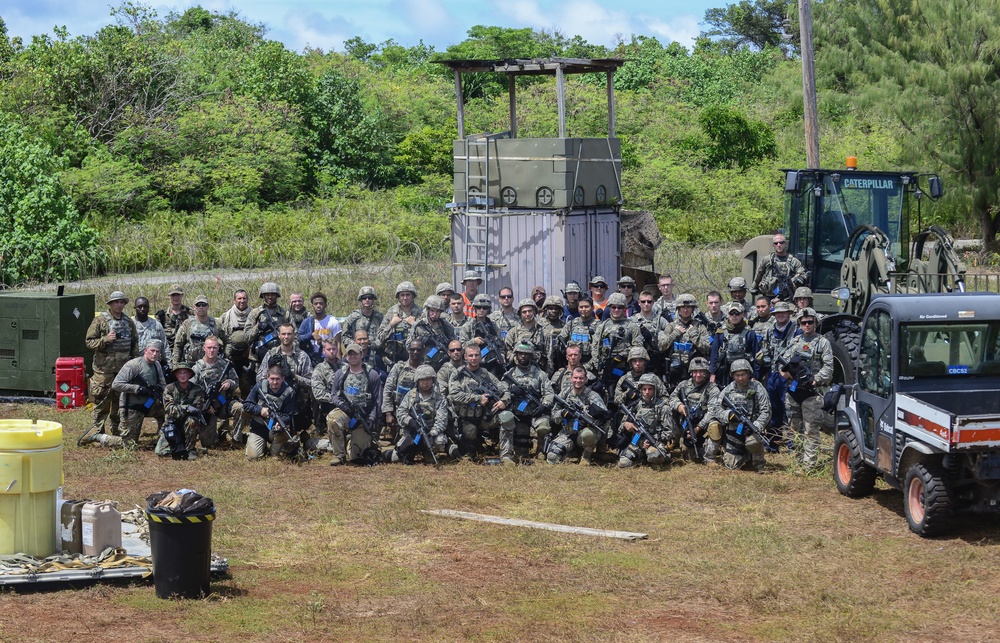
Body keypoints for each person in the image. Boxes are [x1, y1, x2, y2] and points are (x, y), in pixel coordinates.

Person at [79, 291, 139, 446]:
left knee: (120, 403)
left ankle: (117, 433)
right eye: (116, 302)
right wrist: (105, 339)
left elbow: (134, 345)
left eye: (121, 302)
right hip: (104, 371)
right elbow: (89, 342)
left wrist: (133, 365)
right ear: (110, 304)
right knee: (101, 403)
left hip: (122, 371)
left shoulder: (128, 322)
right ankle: (96, 433)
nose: (119, 305)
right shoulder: (100, 321)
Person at [779, 307, 833, 470]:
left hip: (812, 393)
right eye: (803, 323)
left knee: (811, 430)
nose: (807, 325)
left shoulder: (823, 342)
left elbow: (829, 368)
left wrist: (815, 380)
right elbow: (782, 366)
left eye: (810, 322)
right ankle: (798, 460)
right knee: (795, 428)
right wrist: (789, 375)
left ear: (815, 323)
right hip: (794, 391)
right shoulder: (795, 342)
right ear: (800, 324)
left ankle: (810, 465)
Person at [448, 344, 512, 458]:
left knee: (507, 417)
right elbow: (454, 395)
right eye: (471, 355)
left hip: (486, 417)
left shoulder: (486, 374)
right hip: (467, 419)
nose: (474, 358)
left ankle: (506, 456)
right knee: (470, 454)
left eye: (476, 355)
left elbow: (504, 389)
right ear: (465, 357)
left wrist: (504, 401)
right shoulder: (458, 374)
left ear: (480, 356)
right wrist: (478, 398)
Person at [327, 343, 384, 465]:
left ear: (362, 355)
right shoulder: (340, 374)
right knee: (332, 420)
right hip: (345, 412)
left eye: (355, 354)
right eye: (349, 354)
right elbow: (334, 396)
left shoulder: (372, 375)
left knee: (357, 457)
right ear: (346, 357)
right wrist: (345, 408)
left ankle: (348, 441)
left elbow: (378, 401)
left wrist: (371, 419)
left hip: (364, 415)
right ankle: (339, 455)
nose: (352, 356)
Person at [711, 359, 771, 471]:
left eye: (743, 374)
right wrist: (729, 415)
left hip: (751, 429)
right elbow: (716, 409)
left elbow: (766, 411)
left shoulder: (757, 387)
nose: (740, 378)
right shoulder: (728, 390)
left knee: (753, 442)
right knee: (731, 466)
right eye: (737, 375)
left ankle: (759, 463)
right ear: (733, 375)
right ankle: (744, 456)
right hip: (734, 431)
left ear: (748, 374)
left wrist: (756, 425)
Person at [388, 365, 454, 463]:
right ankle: (389, 454)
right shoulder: (410, 395)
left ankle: (428, 451)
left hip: (431, 432)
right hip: (413, 433)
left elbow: (442, 420)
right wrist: (411, 422)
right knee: (395, 458)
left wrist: (432, 434)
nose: (425, 382)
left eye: (428, 379)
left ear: (433, 380)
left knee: (439, 441)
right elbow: (401, 412)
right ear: (417, 381)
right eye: (422, 379)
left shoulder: (439, 398)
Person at [108, 341, 167, 448]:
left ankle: (163, 437)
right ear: (145, 351)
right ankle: (97, 436)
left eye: (157, 352)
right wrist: (137, 389)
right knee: (129, 444)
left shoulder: (157, 365)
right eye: (152, 351)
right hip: (131, 406)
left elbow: (163, 385)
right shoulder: (133, 365)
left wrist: (168, 398)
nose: (154, 354)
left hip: (148, 403)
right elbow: (116, 384)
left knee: (169, 410)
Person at [547, 367, 610, 465]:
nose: (578, 381)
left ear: (586, 379)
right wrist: (562, 413)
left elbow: (604, 417)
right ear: (571, 378)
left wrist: (587, 421)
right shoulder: (564, 393)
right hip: (568, 432)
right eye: (575, 378)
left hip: (585, 433)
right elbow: (553, 415)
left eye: (581, 378)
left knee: (588, 435)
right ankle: (572, 453)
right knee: (552, 457)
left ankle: (586, 456)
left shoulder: (592, 396)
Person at [257, 323, 313, 432]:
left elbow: (311, 382)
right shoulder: (270, 354)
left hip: (296, 403)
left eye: (289, 334)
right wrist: (269, 367)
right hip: (272, 401)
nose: (286, 337)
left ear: (294, 335)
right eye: (283, 334)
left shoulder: (302, 356)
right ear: (279, 335)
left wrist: (294, 376)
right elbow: (258, 379)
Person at [505, 343, 555, 462]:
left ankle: (541, 450)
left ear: (531, 356)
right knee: (522, 454)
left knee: (543, 426)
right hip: (519, 416)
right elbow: (501, 391)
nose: (523, 356)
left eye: (526, 354)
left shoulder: (540, 374)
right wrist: (511, 391)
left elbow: (549, 393)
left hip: (536, 413)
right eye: (520, 353)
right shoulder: (509, 374)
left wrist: (544, 405)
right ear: (515, 355)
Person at [758, 301, 797, 452]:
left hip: (789, 376)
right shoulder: (769, 330)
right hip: (773, 375)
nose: (780, 315)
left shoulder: (796, 330)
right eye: (777, 313)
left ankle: (792, 444)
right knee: (773, 409)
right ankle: (773, 442)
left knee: (789, 410)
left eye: (783, 312)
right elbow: (765, 351)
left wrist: (790, 372)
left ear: (788, 314)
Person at [192, 335, 243, 448]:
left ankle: (237, 440)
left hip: (223, 402)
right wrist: (203, 405)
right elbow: (192, 391)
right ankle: (217, 433)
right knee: (208, 443)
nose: (211, 350)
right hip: (208, 407)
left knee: (239, 407)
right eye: (209, 347)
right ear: (204, 348)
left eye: (214, 347)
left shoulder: (225, 364)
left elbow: (236, 382)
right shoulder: (198, 368)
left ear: (218, 348)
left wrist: (230, 382)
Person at [668, 357, 721, 462]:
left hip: (704, 426)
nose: (698, 375)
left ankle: (710, 458)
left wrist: (699, 427)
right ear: (691, 372)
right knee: (689, 456)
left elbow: (713, 411)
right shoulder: (683, 385)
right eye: (695, 371)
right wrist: (679, 406)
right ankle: (673, 440)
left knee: (715, 426)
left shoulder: (712, 389)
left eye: (701, 372)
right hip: (687, 424)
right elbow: (671, 398)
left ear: (706, 372)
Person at [617, 373, 674, 468]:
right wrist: (626, 424)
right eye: (644, 389)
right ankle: (641, 457)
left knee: (654, 457)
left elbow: (669, 432)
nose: (647, 392)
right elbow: (621, 426)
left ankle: (656, 457)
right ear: (641, 390)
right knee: (623, 463)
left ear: (655, 390)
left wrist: (652, 439)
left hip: (654, 442)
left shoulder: (663, 407)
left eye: (650, 389)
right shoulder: (635, 406)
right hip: (636, 443)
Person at [243, 365, 297, 461]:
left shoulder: (289, 392)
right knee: (253, 457)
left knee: (285, 433)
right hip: (258, 427)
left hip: (276, 429)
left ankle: (273, 452)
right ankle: (256, 443)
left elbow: (288, 415)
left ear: (283, 378)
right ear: (267, 377)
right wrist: (260, 410)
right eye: (272, 379)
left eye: (278, 379)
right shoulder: (259, 386)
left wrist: (280, 423)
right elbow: (246, 405)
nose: (275, 382)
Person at [589, 292, 642, 391]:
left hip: (626, 369)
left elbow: (638, 347)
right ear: (609, 308)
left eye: (619, 307)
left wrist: (623, 355)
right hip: (606, 368)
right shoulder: (602, 326)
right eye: (613, 307)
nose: (616, 310)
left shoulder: (632, 326)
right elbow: (595, 348)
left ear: (624, 308)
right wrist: (598, 368)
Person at [155, 362, 206, 460]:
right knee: (161, 452)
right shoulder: (169, 389)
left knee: (192, 421)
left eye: (185, 373)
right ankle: (181, 445)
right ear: (176, 374)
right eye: (180, 373)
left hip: (188, 423)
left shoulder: (197, 389)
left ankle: (190, 449)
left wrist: (180, 409)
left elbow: (197, 409)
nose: (183, 375)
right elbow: (169, 409)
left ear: (190, 374)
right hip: (172, 423)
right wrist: (186, 408)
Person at [663, 293, 712, 386]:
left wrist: (694, 335)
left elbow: (707, 348)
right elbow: (661, 346)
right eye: (683, 307)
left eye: (688, 307)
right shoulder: (671, 326)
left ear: (693, 309)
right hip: (675, 372)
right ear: (678, 309)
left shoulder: (700, 327)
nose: (685, 310)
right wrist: (675, 334)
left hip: (696, 372)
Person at [709, 302, 761, 388]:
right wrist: (712, 373)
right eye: (731, 313)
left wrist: (755, 375)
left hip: (744, 373)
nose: (734, 316)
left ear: (742, 315)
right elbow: (714, 354)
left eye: (737, 313)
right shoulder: (721, 332)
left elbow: (757, 356)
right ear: (728, 315)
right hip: (725, 372)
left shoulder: (750, 333)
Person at [383, 339, 426, 439]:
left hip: (420, 412)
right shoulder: (399, 367)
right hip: (400, 412)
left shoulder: (426, 369)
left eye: (418, 350)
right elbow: (388, 390)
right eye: (413, 349)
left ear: (423, 351)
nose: (415, 352)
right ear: (408, 350)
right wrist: (388, 413)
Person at [376, 281, 421, 369]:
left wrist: (414, 325)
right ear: (398, 297)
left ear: (413, 296)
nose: (405, 298)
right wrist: (391, 325)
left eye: (408, 295)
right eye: (402, 295)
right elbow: (380, 337)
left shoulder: (420, 312)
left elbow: (426, 337)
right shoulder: (392, 312)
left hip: (414, 358)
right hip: (394, 359)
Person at [459, 294, 507, 377]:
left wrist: (501, 355)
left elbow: (501, 345)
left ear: (488, 309)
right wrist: (473, 341)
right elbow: (462, 346)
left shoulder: (493, 326)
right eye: (478, 307)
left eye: (484, 308)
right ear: (474, 308)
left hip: (492, 365)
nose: (481, 310)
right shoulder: (468, 326)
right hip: (473, 365)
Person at [218, 289, 254, 397]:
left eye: (244, 298)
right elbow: (220, 337)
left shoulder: (254, 315)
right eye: (239, 298)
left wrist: (250, 350)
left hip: (249, 357)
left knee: (247, 385)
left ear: (247, 300)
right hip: (231, 358)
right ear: (234, 300)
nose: (242, 301)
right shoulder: (226, 317)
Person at [752, 232, 807, 302]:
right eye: (776, 243)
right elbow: (759, 274)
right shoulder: (767, 260)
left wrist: (793, 281)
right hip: (769, 295)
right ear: (773, 245)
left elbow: (802, 274)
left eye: (781, 242)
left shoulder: (793, 261)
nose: (779, 245)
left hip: (786, 297)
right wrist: (754, 287)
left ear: (785, 244)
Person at [244, 282, 289, 366]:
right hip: (259, 357)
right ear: (263, 296)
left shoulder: (285, 314)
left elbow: (295, 336)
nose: (270, 297)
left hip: (281, 354)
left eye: (273, 294)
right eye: (267, 295)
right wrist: (258, 327)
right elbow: (246, 337)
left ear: (277, 295)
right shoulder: (255, 313)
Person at [172, 295, 224, 365]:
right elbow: (178, 344)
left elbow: (227, 340)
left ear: (208, 307)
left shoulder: (216, 323)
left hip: (211, 365)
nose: (201, 307)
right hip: (190, 365)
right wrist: (175, 364)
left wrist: (225, 357)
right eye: (198, 305)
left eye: (204, 305)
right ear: (194, 307)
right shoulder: (187, 324)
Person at [504, 298, 552, 373]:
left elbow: (549, 357)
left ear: (535, 312)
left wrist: (546, 376)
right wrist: (514, 358)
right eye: (524, 312)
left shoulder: (544, 333)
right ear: (520, 314)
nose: (527, 314)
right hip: (517, 374)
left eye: (530, 311)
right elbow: (506, 350)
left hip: (538, 374)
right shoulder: (513, 332)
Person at [409, 296, 456, 370]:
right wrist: (420, 343)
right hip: (423, 365)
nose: (434, 314)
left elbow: (454, 343)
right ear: (427, 310)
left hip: (443, 364)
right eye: (432, 311)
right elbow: (408, 346)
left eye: (437, 311)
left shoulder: (446, 326)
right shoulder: (418, 326)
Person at [298, 291, 341, 366]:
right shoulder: (307, 322)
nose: (318, 306)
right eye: (316, 304)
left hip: (328, 360)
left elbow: (338, 345)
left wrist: (338, 364)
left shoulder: (333, 322)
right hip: (310, 361)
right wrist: (311, 335)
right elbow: (297, 338)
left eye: (321, 303)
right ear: (312, 306)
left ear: (325, 305)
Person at [632, 290, 670, 375]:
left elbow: (669, 335)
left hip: (656, 360)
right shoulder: (633, 320)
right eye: (643, 301)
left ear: (653, 303)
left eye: (649, 301)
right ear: (639, 303)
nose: (646, 304)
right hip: (638, 361)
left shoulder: (660, 320)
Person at [557, 297, 600, 366]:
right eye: (581, 307)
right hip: (572, 365)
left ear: (592, 308)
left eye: (586, 307)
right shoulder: (571, 324)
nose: (583, 309)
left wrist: (587, 366)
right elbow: (560, 340)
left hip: (590, 366)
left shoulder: (599, 326)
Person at [342, 287, 384, 353]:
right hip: (357, 353)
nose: (367, 300)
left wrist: (376, 344)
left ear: (373, 299)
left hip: (376, 352)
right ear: (361, 300)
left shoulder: (380, 317)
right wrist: (355, 344)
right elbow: (344, 336)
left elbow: (385, 335)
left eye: (370, 297)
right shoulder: (353, 317)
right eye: (364, 298)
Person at [132, 296, 169, 370]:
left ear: (148, 308)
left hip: (153, 365)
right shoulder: (129, 324)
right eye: (140, 306)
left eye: (145, 306)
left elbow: (164, 346)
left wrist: (169, 364)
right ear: (135, 308)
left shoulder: (156, 324)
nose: (142, 309)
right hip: (134, 364)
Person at [156, 284, 191, 357]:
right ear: (169, 296)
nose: (176, 297)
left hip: (186, 353)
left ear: (182, 295)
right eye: (173, 295)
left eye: (178, 295)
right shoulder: (161, 315)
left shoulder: (190, 313)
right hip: (167, 353)